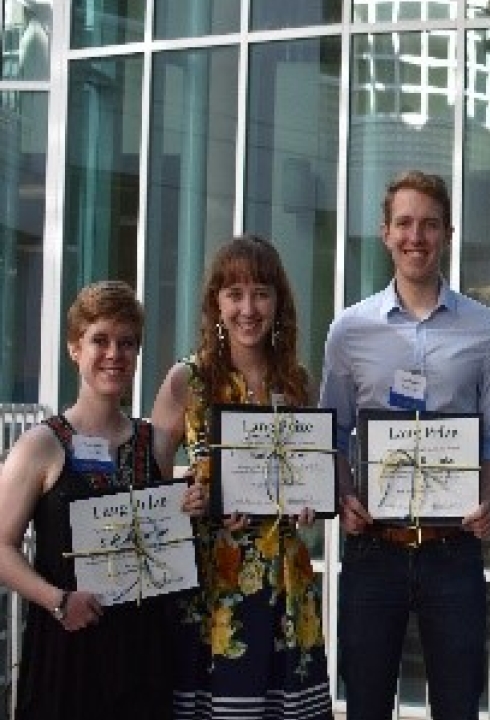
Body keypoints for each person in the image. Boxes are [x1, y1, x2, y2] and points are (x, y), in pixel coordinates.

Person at [319, 170, 490, 720]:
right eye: (404, 223)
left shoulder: (488, 330)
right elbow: (332, 432)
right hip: (373, 550)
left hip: (453, 552)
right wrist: (344, 495)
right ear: (385, 233)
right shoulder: (348, 331)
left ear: (447, 233)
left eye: (429, 224)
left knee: (457, 708)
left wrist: (487, 500)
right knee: (367, 707)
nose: (416, 237)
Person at [149, 235, 333, 720]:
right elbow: (149, 482)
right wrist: (183, 499)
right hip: (213, 580)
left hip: (284, 581)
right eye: (235, 294)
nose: (248, 308)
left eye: (261, 293)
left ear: (278, 302)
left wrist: (307, 502)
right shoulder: (187, 380)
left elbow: (308, 478)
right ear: (216, 303)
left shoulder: (297, 382)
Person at [0, 280, 202, 719]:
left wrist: (192, 506)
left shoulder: (155, 444)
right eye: (100, 340)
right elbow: (0, 547)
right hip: (68, 649)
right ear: (75, 348)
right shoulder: (41, 445)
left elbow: (170, 530)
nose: (115, 354)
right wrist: (57, 600)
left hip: (143, 653)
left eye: (127, 343)